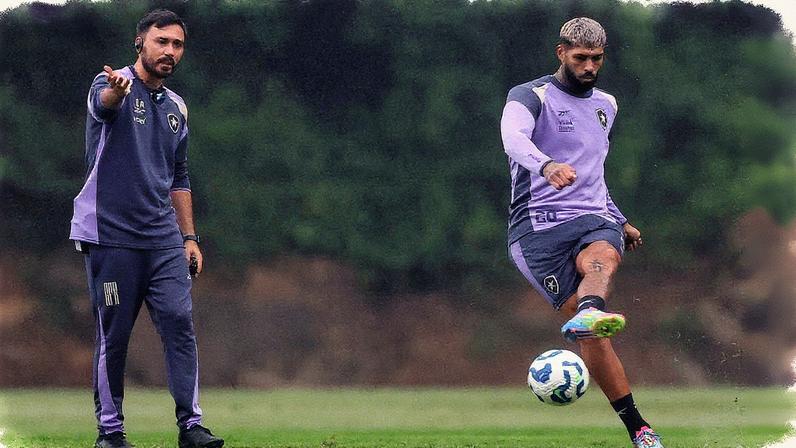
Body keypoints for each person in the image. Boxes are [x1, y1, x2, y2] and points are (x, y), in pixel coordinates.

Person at [500, 17, 664, 448]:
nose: (590, 66)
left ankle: (641, 430)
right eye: (580, 58)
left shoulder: (606, 104)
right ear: (561, 53)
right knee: (590, 334)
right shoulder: (529, 96)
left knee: (603, 255)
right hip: (535, 230)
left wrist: (619, 216)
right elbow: (512, 139)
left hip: (591, 215)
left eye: (596, 58)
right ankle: (591, 323)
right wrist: (546, 165)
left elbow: (594, 173)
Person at [69, 9, 223, 448]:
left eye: (177, 45)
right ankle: (111, 433)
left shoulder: (176, 107)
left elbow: (179, 176)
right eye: (161, 42)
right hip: (110, 236)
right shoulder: (109, 83)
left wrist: (189, 237)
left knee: (179, 322)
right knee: (113, 336)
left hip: (163, 241)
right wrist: (117, 93)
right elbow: (103, 106)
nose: (169, 51)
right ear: (140, 42)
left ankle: (191, 427)